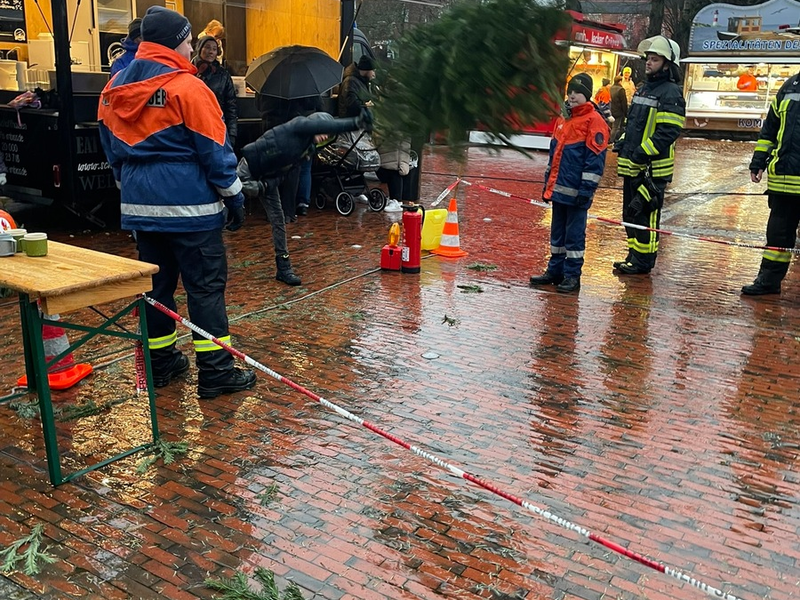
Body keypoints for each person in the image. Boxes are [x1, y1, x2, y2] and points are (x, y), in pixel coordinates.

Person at [97, 6, 256, 399]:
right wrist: (235, 197)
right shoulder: (189, 89)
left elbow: (111, 148)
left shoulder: (113, 89)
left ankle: (160, 364)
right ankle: (216, 372)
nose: (190, 49)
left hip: (140, 209)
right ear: (174, 43)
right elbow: (215, 153)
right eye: (187, 41)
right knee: (204, 289)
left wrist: (129, 186)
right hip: (192, 212)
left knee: (156, 290)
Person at [238, 111, 369, 286]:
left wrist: (264, 186)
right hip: (250, 167)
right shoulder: (298, 126)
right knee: (226, 196)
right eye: (322, 130)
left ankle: (284, 268)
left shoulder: (305, 151)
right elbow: (330, 126)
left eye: (327, 135)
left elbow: (284, 174)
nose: (324, 136)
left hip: (268, 177)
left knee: (278, 220)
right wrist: (356, 122)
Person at [529, 73, 608, 294]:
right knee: (557, 235)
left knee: (574, 237)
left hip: (577, 193)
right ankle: (555, 270)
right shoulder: (564, 119)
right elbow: (554, 157)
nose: (572, 95)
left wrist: (586, 191)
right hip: (560, 190)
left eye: (577, 92)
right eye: (570, 91)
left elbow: (595, 162)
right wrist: (548, 186)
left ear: (587, 95)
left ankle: (572, 276)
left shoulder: (594, 122)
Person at [613, 36, 684, 276]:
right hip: (634, 166)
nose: (649, 63)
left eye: (655, 59)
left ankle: (644, 261)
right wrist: (623, 141)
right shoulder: (645, 88)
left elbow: (668, 131)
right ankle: (634, 256)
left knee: (646, 214)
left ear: (667, 64)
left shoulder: (671, 92)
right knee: (630, 214)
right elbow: (634, 124)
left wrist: (643, 152)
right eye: (648, 59)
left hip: (652, 170)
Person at [741, 68, 800, 295]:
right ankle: (768, 281)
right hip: (783, 181)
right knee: (777, 237)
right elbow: (770, 130)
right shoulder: (789, 87)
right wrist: (758, 161)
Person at [193, 35, 237, 148]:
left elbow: (231, 107)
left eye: (214, 49)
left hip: (216, 128)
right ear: (199, 49)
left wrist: (232, 134)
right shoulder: (189, 70)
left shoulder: (223, 75)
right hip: (193, 127)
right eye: (207, 47)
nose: (211, 52)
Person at [608, 75, 627, 143]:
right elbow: (623, 102)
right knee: (615, 127)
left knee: (609, 126)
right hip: (618, 111)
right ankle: (611, 141)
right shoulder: (621, 90)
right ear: (620, 81)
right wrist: (625, 113)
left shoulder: (610, 88)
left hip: (610, 110)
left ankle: (607, 139)